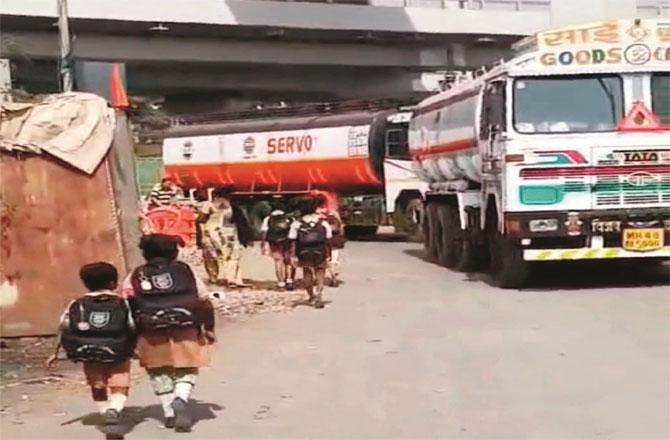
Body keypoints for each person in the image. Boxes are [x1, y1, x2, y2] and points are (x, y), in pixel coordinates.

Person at [122, 234, 216, 432]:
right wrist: (208, 328)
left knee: (158, 370)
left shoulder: (136, 274)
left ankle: (169, 412)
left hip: (150, 330)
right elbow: (203, 299)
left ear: (145, 253)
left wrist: (131, 337)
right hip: (186, 327)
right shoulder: (185, 270)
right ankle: (181, 397)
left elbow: (127, 303)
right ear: (174, 252)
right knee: (188, 367)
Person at [46, 262, 135, 440]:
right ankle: (114, 409)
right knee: (120, 384)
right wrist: (136, 347)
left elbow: (64, 327)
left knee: (97, 384)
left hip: (88, 351)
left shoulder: (77, 304)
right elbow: (132, 326)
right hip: (118, 351)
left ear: (85, 283)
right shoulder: (123, 303)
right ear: (113, 283)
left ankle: (104, 412)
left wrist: (54, 352)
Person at [197, 188, 253, 287]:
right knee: (212, 256)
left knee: (233, 256)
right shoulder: (209, 206)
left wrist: (243, 235)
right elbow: (201, 221)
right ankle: (214, 276)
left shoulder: (232, 207)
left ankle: (233, 279)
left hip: (229, 233)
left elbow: (238, 221)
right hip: (212, 232)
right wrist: (203, 235)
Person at [288, 200, 333, 309]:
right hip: (320, 251)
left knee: (307, 273)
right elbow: (328, 239)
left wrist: (293, 255)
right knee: (320, 273)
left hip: (303, 252)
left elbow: (293, 240)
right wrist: (329, 253)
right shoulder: (323, 223)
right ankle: (319, 295)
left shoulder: (297, 224)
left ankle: (311, 295)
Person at [261, 205, 296, 290]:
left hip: (274, 242)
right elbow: (294, 233)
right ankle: (289, 280)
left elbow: (264, 231)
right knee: (289, 261)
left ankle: (281, 283)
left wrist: (263, 243)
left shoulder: (268, 219)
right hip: (288, 242)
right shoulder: (291, 219)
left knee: (278, 261)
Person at [316, 201, 345, 287]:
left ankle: (325, 278)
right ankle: (333, 277)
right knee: (334, 259)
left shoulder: (316, 213)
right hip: (334, 239)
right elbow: (340, 225)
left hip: (322, 240)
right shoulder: (333, 212)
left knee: (325, 259)